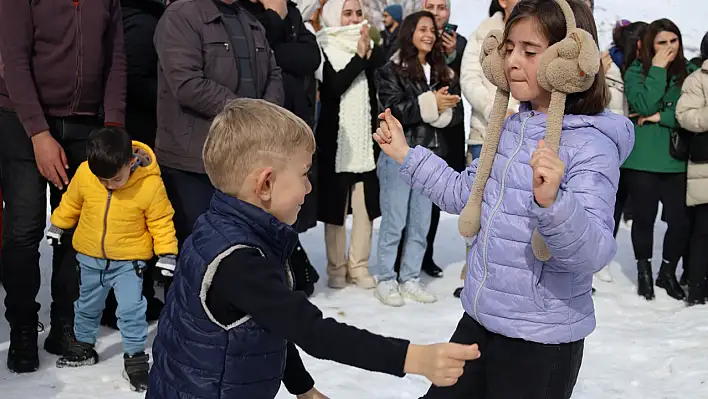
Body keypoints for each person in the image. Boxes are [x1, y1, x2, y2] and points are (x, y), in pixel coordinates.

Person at [373, 0, 633, 396]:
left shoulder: (591, 146)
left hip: (540, 341)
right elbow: (463, 193)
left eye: (530, 51)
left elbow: (594, 254)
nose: (512, 61)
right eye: (508, 48)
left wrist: (554, 204)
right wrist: (407, 155)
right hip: (481, 320)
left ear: (572, 58)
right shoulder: (511, 127)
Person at [146, 98, 481, 399]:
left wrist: (302, 387)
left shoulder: (218, 227)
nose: (308, 186)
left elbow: (268, 320)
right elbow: (313, 331)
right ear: (265, 184)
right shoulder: (237, 261)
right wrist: (414, 358)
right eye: (304, 174)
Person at [0, 0, 126, 373]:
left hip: (84, 125)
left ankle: (65, 324)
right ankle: (22, 327)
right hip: (21, 122)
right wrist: (38, 132)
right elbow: (13, 60)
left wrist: (114, 127)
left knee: (76, 232)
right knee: (23, 231)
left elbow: (116, 59)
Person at [153, 0, 283, 278]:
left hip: (243, 159)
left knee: (237, 250)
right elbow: (187, 83)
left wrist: (264, 115)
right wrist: (247, 113)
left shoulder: (250, 20)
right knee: (200, 253)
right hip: (194, 161)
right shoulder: (181, 15)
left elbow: (274, 74)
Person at [46, 128, 177, 391]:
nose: (108, 185)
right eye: (102, 180)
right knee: (86, 306)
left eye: (115, 179)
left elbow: (161, 221)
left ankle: (135, 357)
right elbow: (72, 202)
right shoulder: (85, 174)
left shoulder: (149, 184)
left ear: (130, 163)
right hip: (90, 257)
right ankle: (83, 346)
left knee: (131, 310)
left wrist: (167, 254)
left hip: (129, 262)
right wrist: (57, 225)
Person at [373, 11, 462, 306]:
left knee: (421, 223)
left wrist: (443, 108)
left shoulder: (441, 72)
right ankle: (386, 278)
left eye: (432, 30)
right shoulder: (390, 70)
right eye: (422, 29)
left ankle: (410, 277)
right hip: (400, 153)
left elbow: (455, 115)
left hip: (429, 156)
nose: (429, 34)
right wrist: (431, 104)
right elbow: (392, 110)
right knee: (394, 221)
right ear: (409, 32)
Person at [240, 0, 322, 296]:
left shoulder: (293, 12)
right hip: (261, 125)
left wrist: (279, 46)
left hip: (294, 124)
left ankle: (292, 267)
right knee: (265, 201)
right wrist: (274, 17)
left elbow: (311, 56)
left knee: (288, 201)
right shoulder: (244, 10)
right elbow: (257, 52)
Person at [99, 0, 167, 332]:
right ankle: (122, 300)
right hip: (139, 135)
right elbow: (137, 80)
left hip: (128, 133)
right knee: (133, 218)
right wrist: (170, 96)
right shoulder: (140, 23)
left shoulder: (133, 17)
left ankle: (122, 296)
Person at [622, 18, 697, 301]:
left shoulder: (689, 72)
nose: (669, 48)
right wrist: (657, 70)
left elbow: (688, 110)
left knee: (679, 222)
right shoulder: (636, 72)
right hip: (641, 159)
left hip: (675, 159)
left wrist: (659, 117)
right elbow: (643, 104)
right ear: (650, 46)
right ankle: (644, 272)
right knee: (644, 219)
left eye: (673, 41)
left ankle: (667, 272)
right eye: (661, 43)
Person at [315, 0, 384, 289]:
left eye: (358, 13)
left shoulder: (371, 48)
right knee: (336, 209)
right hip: (335, 142)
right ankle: (336, 268)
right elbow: (333, 86)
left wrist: (369, 53)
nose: (354, 18)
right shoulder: (324, 48)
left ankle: (359, 266)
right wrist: (359, 57)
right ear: (333, 16)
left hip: (365, 142)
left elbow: (377, 86)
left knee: (364, 206)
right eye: (347, 13)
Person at [456, 0, 520, 297]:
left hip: (527, 131)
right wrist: (496, 109)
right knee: (479, 204)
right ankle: (474, 274)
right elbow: (468, 78)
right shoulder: (483, 32)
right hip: (486, 131)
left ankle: (506, 276)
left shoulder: (539, 27)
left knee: (516, 207)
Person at [676, 31, 708, 305]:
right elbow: (684, 116)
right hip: (705, 170)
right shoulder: (698, 79)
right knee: (703, 232)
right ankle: (697, 290)